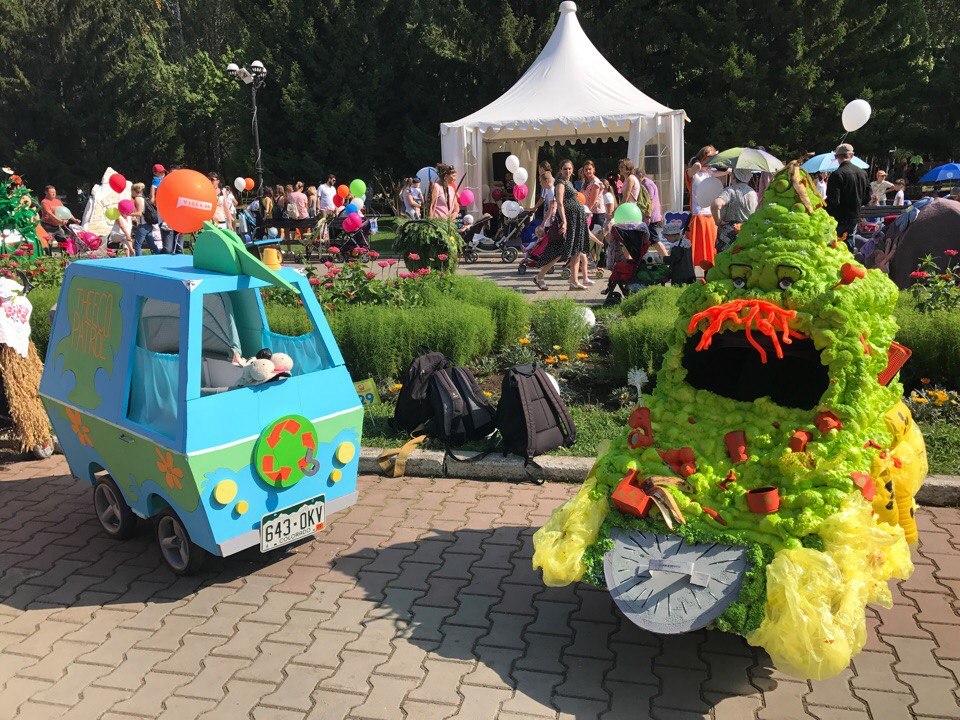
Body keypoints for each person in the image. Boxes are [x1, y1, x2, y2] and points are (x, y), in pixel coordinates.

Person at [533, 160, 589, 291]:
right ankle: (540, 276)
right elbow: (559, 202)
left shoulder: (569, 182)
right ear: (560, 170)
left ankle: (574, 281)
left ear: (573, 169)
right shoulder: (560, 183)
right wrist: (564, 221)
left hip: (576, 220)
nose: (567, 171)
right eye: (565, 169)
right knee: (560, 250)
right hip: (568, 220)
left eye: (569, 169)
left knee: (576, 250)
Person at [826, 143, 868, 251]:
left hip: (839, 218)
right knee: (849, 243)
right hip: (855, 216)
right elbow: (867, 198)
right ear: (852, 155)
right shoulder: (863, 173)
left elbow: (833, 201)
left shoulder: (836, 174)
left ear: (836, 157)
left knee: (836, 247)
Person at [711, 168, 758, 252]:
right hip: (747, 231)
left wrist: (718, 221)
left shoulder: (730, 191)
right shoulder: (753, 193)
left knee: (725, 261)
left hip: (728, 232)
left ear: (734, 176)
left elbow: (716, 204)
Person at [636, 170, 662, 242]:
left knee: (654, 240)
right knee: (648, 239)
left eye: (635, 176)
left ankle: (664, 253)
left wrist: (648, 216)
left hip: (651, 216)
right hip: (651, 215)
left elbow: (650, 201)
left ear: (640, 175)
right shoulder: (647, 182)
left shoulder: (646, 184)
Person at [130, 183, 153, 256]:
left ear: (134, 191)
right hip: (149, 224)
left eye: (131, 191)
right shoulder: (144, 198)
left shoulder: (137, 199)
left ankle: (138, 261)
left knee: (137, 245)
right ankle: (160, 256)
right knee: (152, 245)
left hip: (143, 225)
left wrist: (128, 214)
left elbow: (139, 213)